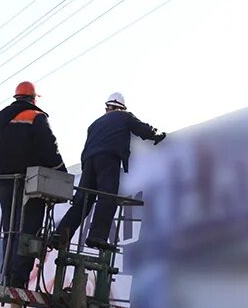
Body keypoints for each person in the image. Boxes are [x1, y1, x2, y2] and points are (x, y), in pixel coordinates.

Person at [53, 92, 165, 250]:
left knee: (83, 200)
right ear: (122, 107)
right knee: (107, 195)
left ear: (107, 107)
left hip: (89, 161)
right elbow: (142, 129)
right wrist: (156, 135)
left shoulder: (94, 124)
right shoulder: (124, 116)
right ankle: (97, 236)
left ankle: (60, 235)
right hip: (108, 157)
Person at [0, 81, 66, 288]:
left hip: (6, 184)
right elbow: (49, 147)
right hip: (30, 183)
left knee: (10, 231)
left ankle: (6, 277)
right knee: (28, 232)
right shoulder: (36, 117)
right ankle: (19, 280)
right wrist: (60, 170)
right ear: (33, 99)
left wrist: (0, 176)